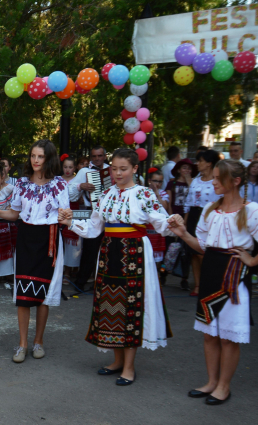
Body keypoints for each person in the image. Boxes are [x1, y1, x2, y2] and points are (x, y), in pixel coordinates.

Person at [167, 160, 258, 405]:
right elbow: (203, 247)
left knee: (228, 337)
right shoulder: (210, 209)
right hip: (211, 271)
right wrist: (183, 234)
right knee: (209, 334)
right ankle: (211, 382)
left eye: (218, 178)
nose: (214, 182)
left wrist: (252, 261)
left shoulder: (250, 210)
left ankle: (224, 386)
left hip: (233, 275)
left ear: (236, 181)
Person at [59, 148, 176, 385]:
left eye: (123, 169)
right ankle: (117, 360)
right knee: (111, 304)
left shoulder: (143, 194)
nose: (118, 173)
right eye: (114, 169)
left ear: (134, 169)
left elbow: (161, 222)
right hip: (109, 251)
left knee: (131, 307)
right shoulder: (106, 195)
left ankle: (129, 367)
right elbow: (93, 229)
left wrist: (174, 222)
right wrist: (70, 221)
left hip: (135, 252)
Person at [0, 140, 69, 363]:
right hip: (25, 238)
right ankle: (22, 344)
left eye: (40, 156)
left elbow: (65, 215)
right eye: (33, 155)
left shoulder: (60, 184)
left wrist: (68, 218)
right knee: (23, 293)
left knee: (43, 295)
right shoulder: (22, 184)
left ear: (49, 158)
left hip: (49, 240)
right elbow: (14, 214)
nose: (35, 160)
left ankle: (38, 342)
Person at [69, 145, 111, 292]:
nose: (97, 159)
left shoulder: (111, 171)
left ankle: (104, 283)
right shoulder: (85, 171)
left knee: (109, 250)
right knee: (89, 250)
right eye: (94, 156)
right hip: (91, 212)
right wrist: (81, 186)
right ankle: (81, 282)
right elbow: (69, 190)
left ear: (105, 156)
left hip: (110, 215)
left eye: (100, 156)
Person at [183, 150, 222, 296]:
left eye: (200, 161)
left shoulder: (217, 180)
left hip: (210, 216)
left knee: (204, 252)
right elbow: (189, 200)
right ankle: (198, 285)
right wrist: (186, 222)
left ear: (209, 163)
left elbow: (222, 200)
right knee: (194, 252)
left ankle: (209, 284)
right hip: (194, 215)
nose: (197, 164)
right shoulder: (196, 179)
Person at [164, 158, 196, 289]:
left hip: (186, 218)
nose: (187, 171)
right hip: (173, 218)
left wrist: (186, 222)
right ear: (178, 170)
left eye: (189, 168)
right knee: (169, 247)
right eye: (184, 168)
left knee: (185, 251)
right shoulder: (172, 183)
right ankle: (164, 273)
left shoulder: (194, 184)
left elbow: (192, 203)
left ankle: (184, 277)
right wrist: (171, 218)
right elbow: (170, 202)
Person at [59, 155, 82, 271]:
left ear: (75, 168)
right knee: (60, 240)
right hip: (60, 211)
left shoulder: (78, 180)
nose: (67, 170)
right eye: (65, 167)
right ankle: (59, 268)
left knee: (72, 242)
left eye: (70, 167)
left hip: (73, 210)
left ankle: (68, 270)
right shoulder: (57, 179)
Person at [146, 169, 171, 267]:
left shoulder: (163, 194)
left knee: (157, 261)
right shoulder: (143, 192)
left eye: (160, 181)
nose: (158, 184)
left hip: (157, 230)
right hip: (146, 228)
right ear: (149, 180)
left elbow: (164, 207)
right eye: (155, 181)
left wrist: (156, 193)